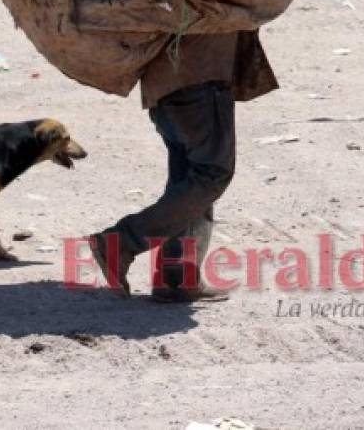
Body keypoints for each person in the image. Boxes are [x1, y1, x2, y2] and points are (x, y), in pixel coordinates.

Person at [88, 28, 278, 302]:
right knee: (210, 176)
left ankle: (176, 279)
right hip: (199, 84)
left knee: (189, 182)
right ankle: (122, 242)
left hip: (166, 88)